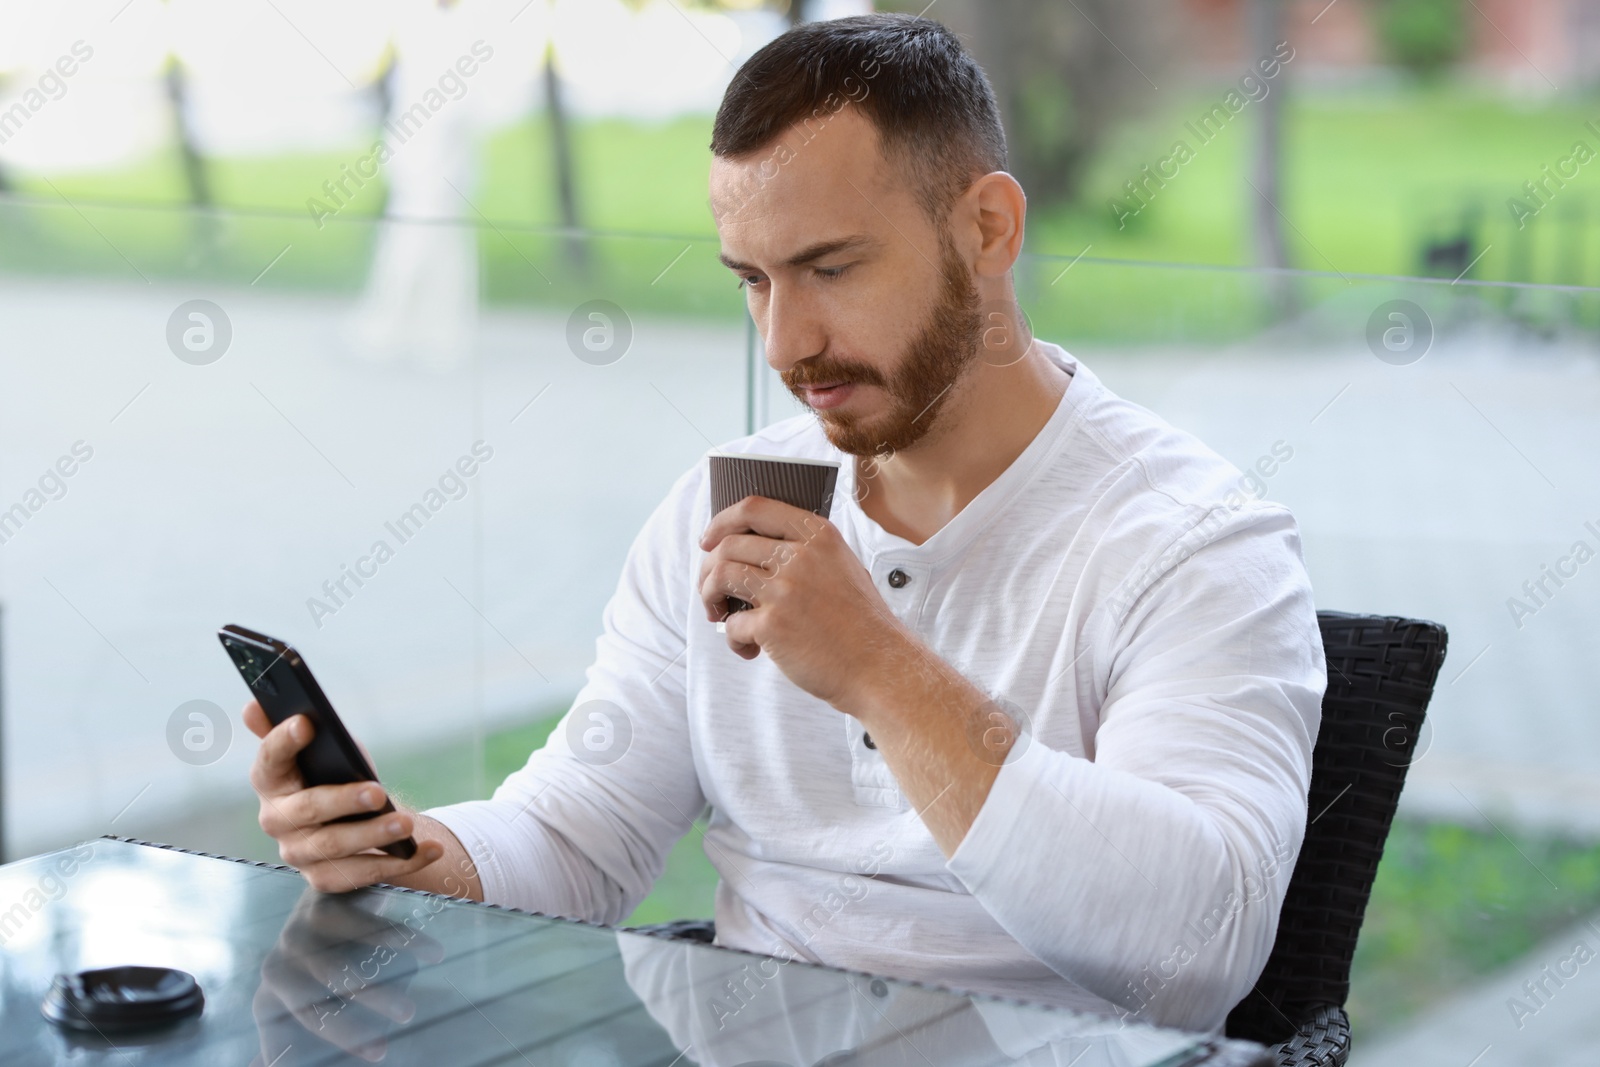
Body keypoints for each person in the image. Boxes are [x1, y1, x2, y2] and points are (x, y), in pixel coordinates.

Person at [245, 13, 1324, 1034]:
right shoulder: (722, 509)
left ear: (987, 227)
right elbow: (582, 832)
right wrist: (420, 853)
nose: (784, 342)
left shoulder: (1193, 539)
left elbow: (1193, 956)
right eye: (754, 281)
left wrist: (877, 668)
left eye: (832, 268)